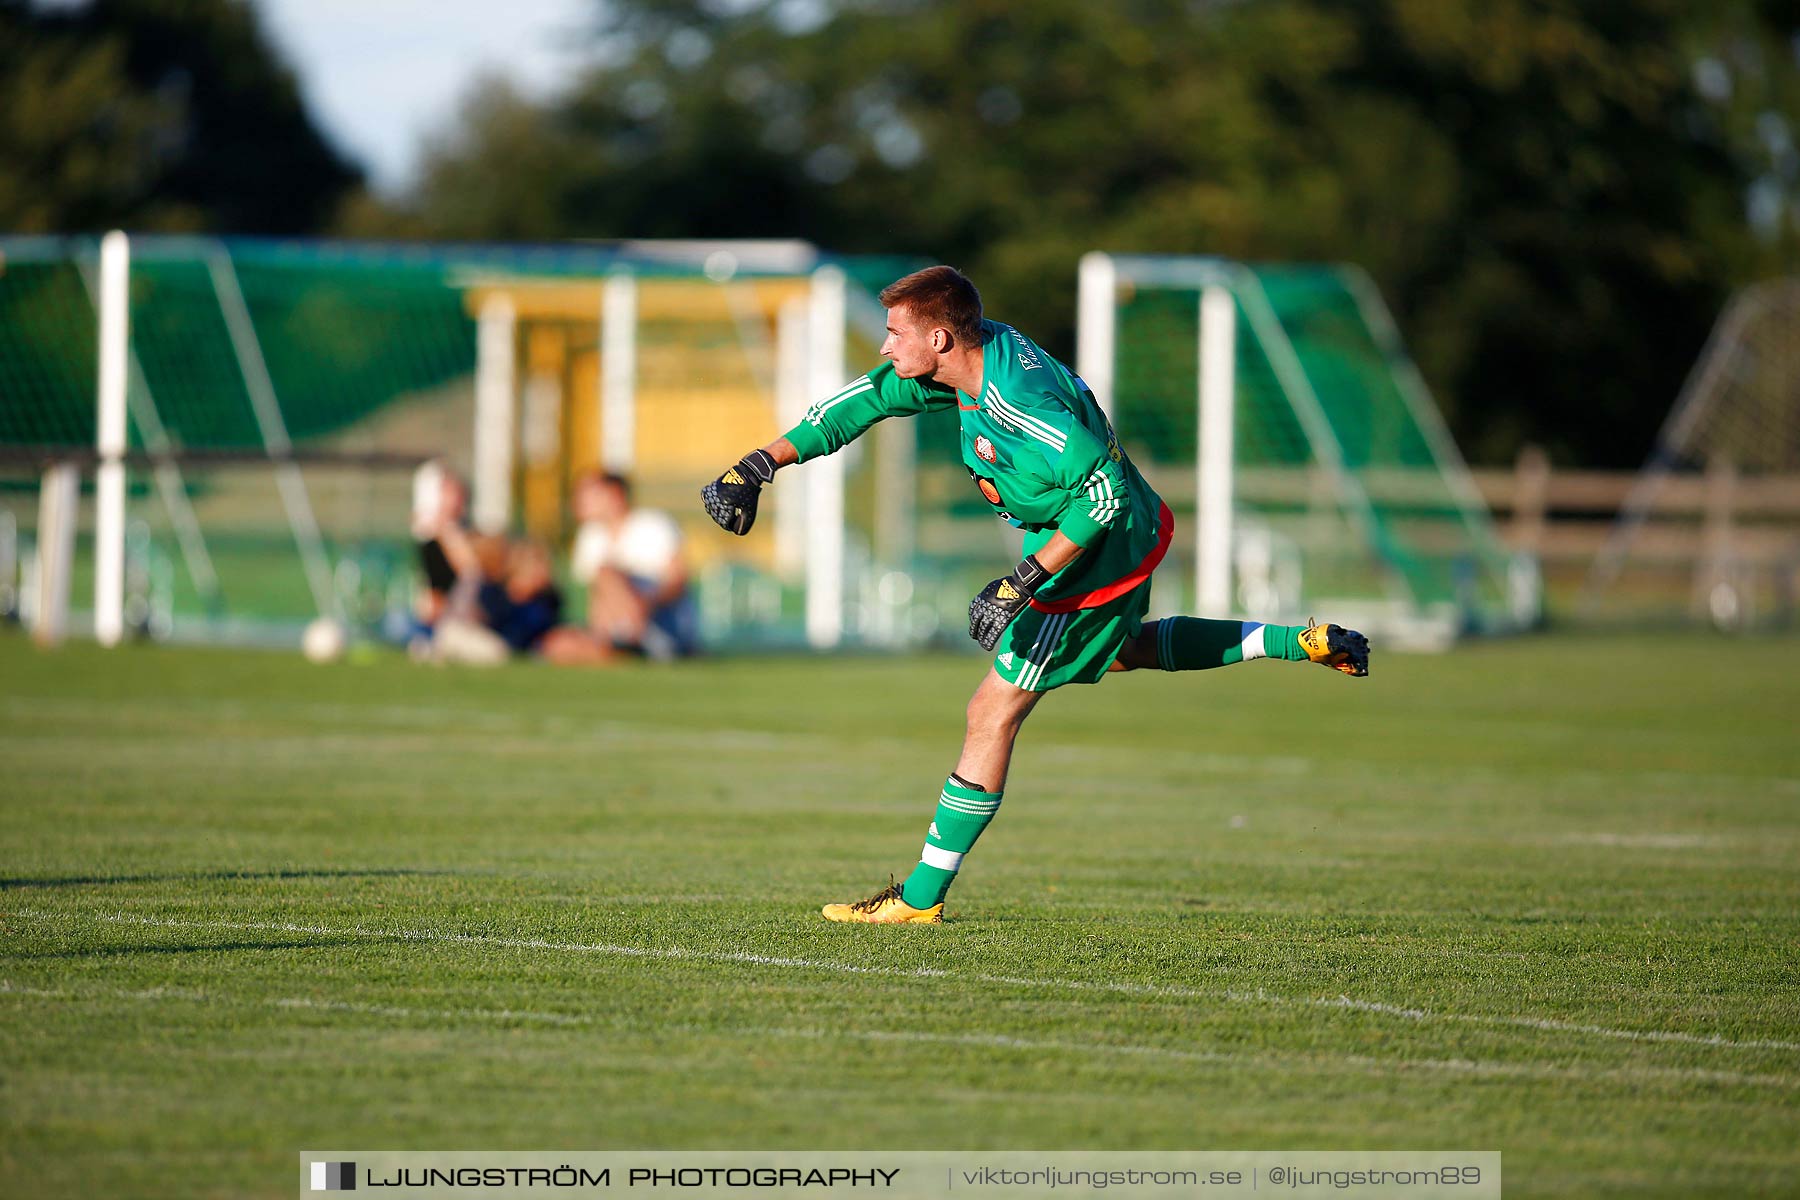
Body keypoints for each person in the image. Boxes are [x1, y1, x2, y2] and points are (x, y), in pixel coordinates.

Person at [702, 265, 1369, 924]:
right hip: (1094, 535)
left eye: (895, 332)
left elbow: (1101, 494)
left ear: (939, 340)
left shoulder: (1017, 400)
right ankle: (1296, 641)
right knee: (1119, 651)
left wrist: (1019, 583)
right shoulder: (965, 362)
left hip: (1096, 549)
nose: (885, 345)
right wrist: (756, 467)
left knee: (991, 711)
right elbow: (864, 400)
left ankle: (920, 899)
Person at [571, 470, 698, 659]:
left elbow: (678, 581)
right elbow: (597, 598)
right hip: (618, 626)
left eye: (590, 495)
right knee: (558, 645)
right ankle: (628, 640)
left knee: (607, 573)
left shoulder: (653, 524)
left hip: (665, 622)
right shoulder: (590, 535)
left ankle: (637, 637)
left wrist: (645, 602)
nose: (579, 502)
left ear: (614, 495)